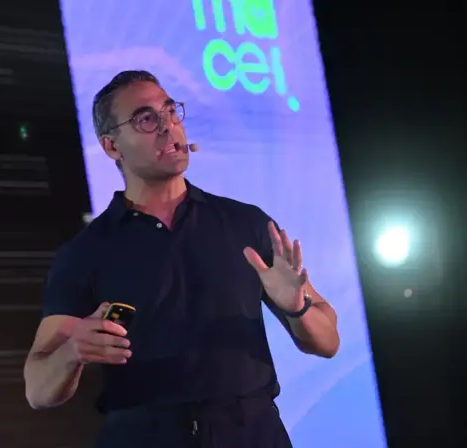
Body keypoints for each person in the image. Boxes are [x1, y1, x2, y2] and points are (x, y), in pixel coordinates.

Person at [24, 70, 339, 448]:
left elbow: (328, 342)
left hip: (250, 432)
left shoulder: (245, 223)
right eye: (146, 119)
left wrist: (296, 307)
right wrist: (73, 351)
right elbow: (38, 390)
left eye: (171, 111)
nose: (167, 126)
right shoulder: (85, 252)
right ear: (111, 146)